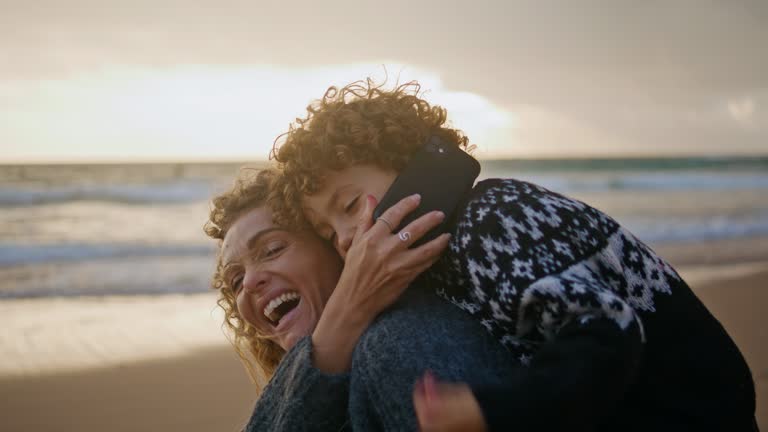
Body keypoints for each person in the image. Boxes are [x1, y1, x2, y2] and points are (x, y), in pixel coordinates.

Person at [271, 79, 759, 431]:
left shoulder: (493, 218)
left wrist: (493, 410)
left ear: (412, 167)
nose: (346, 238)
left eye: (351, 205)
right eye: (327, 232)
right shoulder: (433, 267)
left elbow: (606, 331)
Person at [204, 168, 520, 431]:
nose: (249, 281)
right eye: (235, 281)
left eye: (273, 249)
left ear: (341, 249)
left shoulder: (399, 341)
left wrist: (347, 309)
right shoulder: (311, 389)